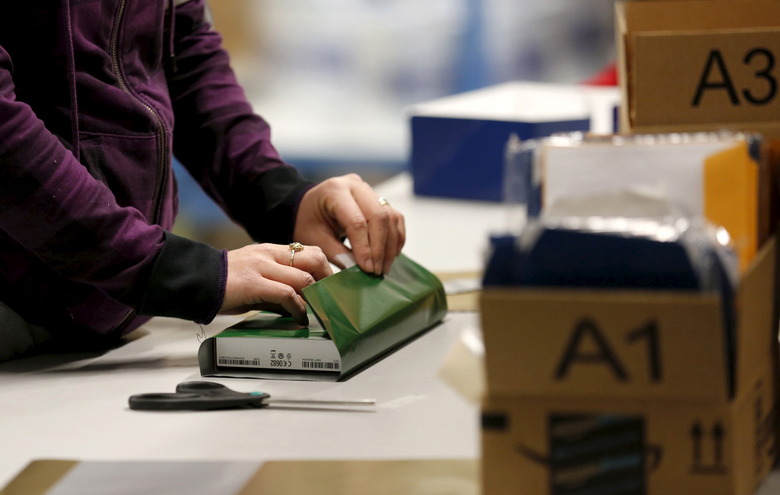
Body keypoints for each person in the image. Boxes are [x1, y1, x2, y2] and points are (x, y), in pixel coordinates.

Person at [0, 0, 405, 360]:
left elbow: (186, 52)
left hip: (105, 309)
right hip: (15, 306)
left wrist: (279, 197)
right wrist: (166, 269)